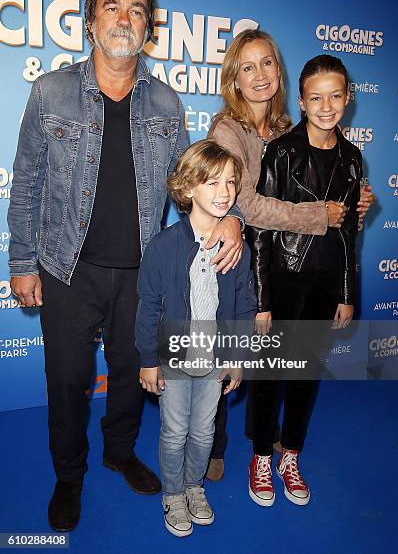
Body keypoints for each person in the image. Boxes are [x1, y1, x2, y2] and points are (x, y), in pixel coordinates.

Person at [7, 0, 243, 532]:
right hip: (65, 267)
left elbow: (194, 184)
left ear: (149, 28)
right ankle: (69, 476)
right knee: (65, 380)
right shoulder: (51, 92)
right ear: (90, 22)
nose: (124, 17)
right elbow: (27, 181)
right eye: (111, 6)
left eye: (136, 9)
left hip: (141, 271)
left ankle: (119, 451)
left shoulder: (165, 103)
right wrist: (20, 262)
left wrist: (228, 218)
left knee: (134, 370)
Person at [206, 29, 374, 481]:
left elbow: (327, 191)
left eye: (266, 64)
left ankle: (261, 438)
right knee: (232, 352)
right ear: (234, 79)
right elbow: (247, 204)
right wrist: (322, 214)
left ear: (278, 73)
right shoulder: (228, 129)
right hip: (235, 252)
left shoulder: (284, 128)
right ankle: (214, 444)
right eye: (247, 66)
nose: (259, 75)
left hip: (280, 257)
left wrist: (352, 202)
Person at [246, 54, 362, 507]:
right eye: (316, 97)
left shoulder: (353, 159)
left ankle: (289, 456)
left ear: (347, 99)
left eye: (335, 96)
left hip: (326, 283)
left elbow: (350, 231)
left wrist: (347, 293)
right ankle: (260, 457)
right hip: (283, 278)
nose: (326, 105)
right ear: (301, 101)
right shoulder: (282, 151)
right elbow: (260, 229)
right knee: (270, 374)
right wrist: (262, 300)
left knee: (306, 375)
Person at [136, 139, 257, 537]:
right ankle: (172, 493)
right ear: (188, 188)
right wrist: (148, 359)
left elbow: (243, 305)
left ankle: (194, 486)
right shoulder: (163, 247)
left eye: (231, 182)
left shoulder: (237, 247)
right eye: (213, 183)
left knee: (204, 431)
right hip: (172, 357)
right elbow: (148, 308)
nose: (225, 192)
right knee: (175, 431)